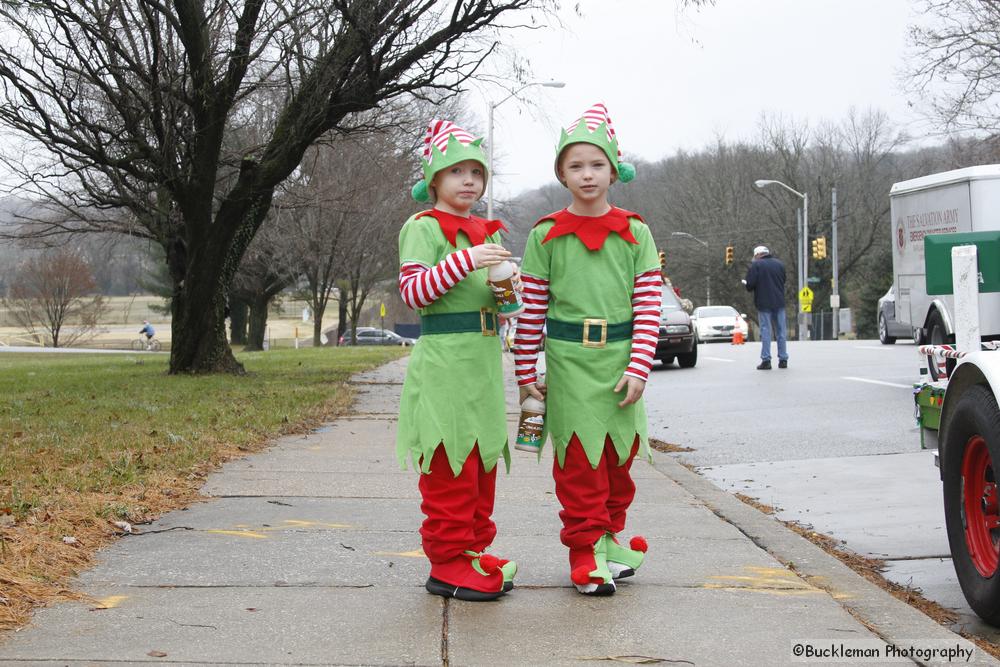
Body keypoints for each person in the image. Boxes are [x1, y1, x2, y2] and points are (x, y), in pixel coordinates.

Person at [515, 103, 660, 596]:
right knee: (581, 463)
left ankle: (609, 537)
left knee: (619, 457)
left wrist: (640, 366)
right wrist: (525, 371)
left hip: (621, 363)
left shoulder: (636, 231)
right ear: (561, 173)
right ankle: (584, 552)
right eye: (575, 165)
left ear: (614, 168)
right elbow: (531, 311)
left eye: (596, 164)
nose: (587, 174)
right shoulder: (545, 235)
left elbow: (648, 306)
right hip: (570, 363)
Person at [396, 119, 517, 602]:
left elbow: (504, 306)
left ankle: (471, 550)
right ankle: (446, 563)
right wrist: (468, 261)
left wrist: (509, 291)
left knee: (481, 458)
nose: (469, 180)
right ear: (433, 180)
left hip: (483, 362)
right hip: (445, 362)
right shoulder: (422, 227)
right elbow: (414, 291)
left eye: (477, 172)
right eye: (456, 172)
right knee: (450, 460)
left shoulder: (482, 231)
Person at [744, 245, 788, 369]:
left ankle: (766, 360)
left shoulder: (756, 265)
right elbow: (783, 280)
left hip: (764, 303)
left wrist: (748, 283)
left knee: (766, 331)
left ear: (758, 255)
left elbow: (750, 285)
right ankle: (783, 359)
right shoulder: (780, 264)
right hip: (779, 302)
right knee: (781, 332)